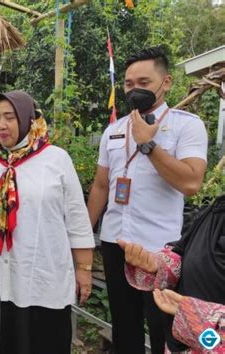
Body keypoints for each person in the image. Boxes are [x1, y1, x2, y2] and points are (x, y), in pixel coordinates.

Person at [87, 46, 208, 354]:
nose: (135, 90)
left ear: (165, 82)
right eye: (129, 84)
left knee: (163, 329)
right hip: (115, 243)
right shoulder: (113, 130)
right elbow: (101, 186)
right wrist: (83, 235)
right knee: (124, 325)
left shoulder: (186, 125)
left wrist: (149, 144)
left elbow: (192, 182)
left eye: (144, 82)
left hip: (160, 250)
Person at [0, 90, 95, 354]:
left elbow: (77, 217)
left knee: (45, 343)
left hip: (44, 276)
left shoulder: (56, 159)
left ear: (29, 119)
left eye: (9, 117)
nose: (1, 125)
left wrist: (84, 269)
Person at [117, 193, 225, 353]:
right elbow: (184, 251)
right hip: (181, 342)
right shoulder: (218, 211)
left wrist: (198, 316)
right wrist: (157, 265)